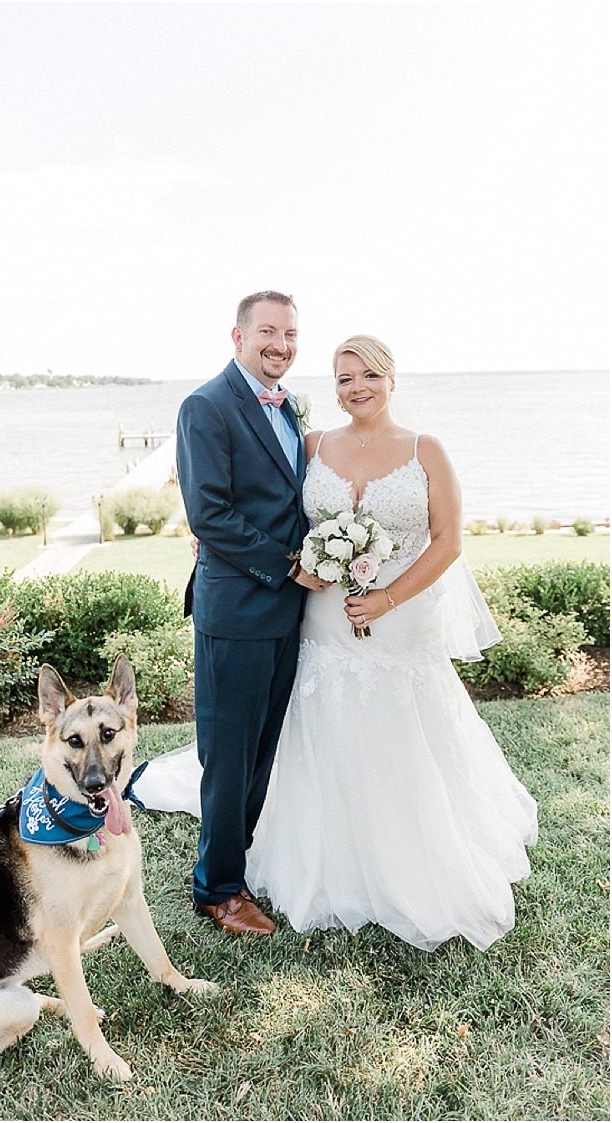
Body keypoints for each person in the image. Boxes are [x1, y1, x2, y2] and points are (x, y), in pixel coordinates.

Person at [144, 333, 537, 952]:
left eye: (367, 376)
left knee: (397, 732)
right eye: (343, 378)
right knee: (312, 730)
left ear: (391, 378)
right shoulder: (313, 442)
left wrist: (385, 597)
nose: (355, 388)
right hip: (321, 618)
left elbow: (448, 542)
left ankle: (403, 856)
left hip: (399, 622)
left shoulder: (426, 449)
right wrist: (210, 538)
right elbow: (266, 506)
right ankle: (288, 863)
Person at [175, 291, 326, 937]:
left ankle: (235, 865)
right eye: (268, 331)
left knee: (261, 754)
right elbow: (209, 514)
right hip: (236, 613)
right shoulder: (206, 406)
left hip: (285, 614)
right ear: (237, 336)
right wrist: (291, 565)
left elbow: (289, 500)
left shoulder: (286, 405)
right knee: (230, 759)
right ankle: (217, 892)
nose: (281, 344)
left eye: (290, 333)